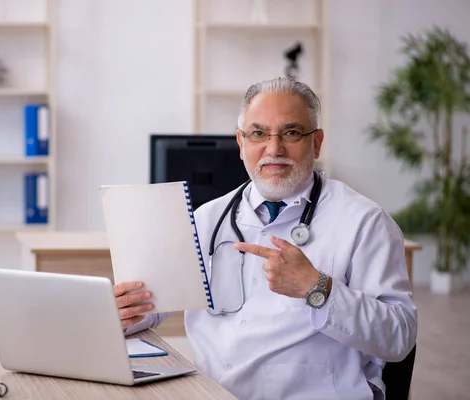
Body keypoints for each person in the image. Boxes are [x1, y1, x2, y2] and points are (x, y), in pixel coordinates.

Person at [113, 77, 417, 400]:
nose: (274, 149)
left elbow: (399, 336)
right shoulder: (206, 220)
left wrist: (318, 289)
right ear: (241, 143)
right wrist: (123, 313)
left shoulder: (365, 223)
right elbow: (149, 308)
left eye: (291, 132)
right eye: (259, 133)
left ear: (316, 143)